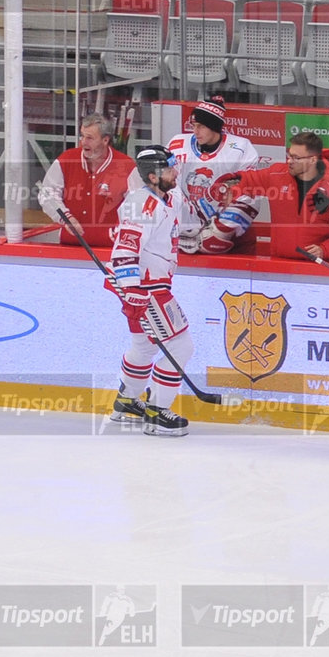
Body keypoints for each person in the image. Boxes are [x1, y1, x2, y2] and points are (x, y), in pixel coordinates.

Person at [108, 146, 194, 438]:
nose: (176, 172)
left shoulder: (166, 196)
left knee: (144, 346)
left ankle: (127, 402)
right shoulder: (142, 203)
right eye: (170, 169)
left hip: (148, 284)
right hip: (147, 288)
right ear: (154, 176)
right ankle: (157, 411)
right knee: (181, 346)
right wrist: (133, 290)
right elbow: (124, 249)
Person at [208, 132, 329, 261]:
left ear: (312, 160)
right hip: (279, 265)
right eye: (289, 155)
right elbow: (248, 180)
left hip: (320, 269)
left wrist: (325, 249)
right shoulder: (276, 174)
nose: (290, 161)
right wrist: (230, 188)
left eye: (296, 158)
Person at [158, 97, 261, 255]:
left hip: (229, 237)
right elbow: (165, 185)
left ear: (214, 126)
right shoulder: (177, 144)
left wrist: (221, 230)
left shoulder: (241, 148)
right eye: (193, 126)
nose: (195, 131)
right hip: (184, 234)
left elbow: (249, 193)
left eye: (201, 126)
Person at [38, 113, 135, 248]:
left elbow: (137, 207)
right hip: (69, 245)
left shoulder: (127, 166)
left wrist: (119, 232)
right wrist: (65, 217)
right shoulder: (67, 159)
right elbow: (47, 194)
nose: (83, 142)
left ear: (105, 140)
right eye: (82, 136)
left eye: (89, 138)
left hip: (111, 248)